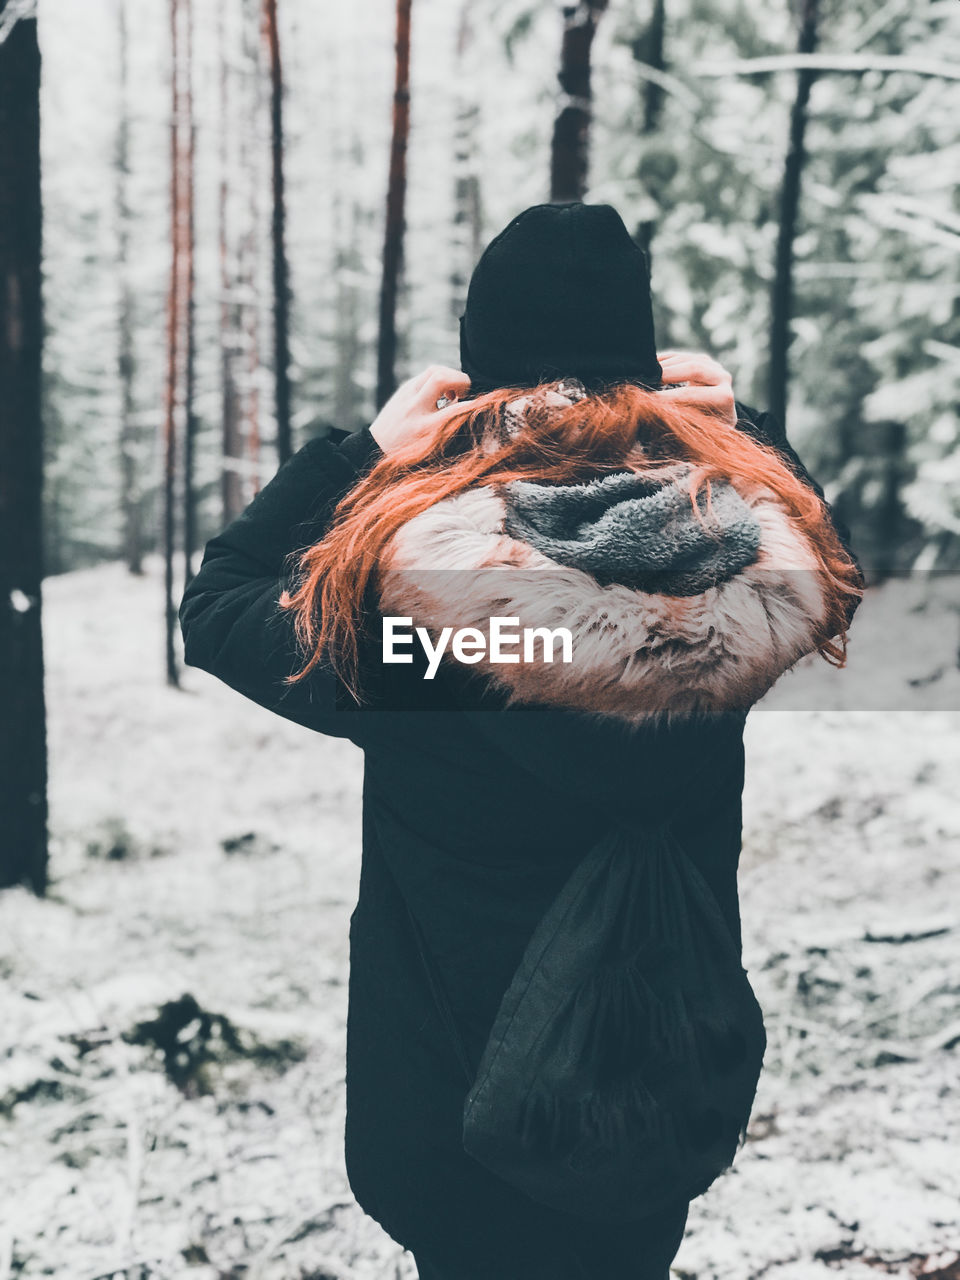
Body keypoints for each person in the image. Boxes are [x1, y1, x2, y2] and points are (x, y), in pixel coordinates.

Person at [179, 203, 862, 1280]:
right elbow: (828, 556)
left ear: (478, 376)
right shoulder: (732, 569)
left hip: (459, 1125)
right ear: (645, 370)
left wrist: (362, 452)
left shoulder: (408, 598)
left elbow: (219, 604)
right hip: (657, 1094)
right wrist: (752, 430)